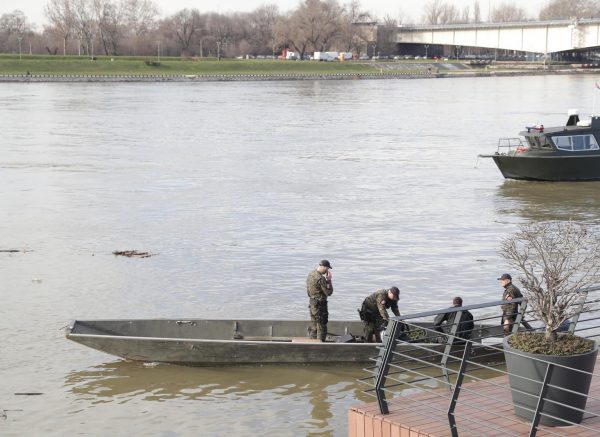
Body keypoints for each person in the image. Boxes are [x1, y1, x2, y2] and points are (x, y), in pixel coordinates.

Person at [306, 260, 333, 341]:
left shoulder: (311, 274)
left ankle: (312, 343)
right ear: (324, 267)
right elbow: (328, 292)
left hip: (312, 303)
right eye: (327, 268)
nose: (327, 270)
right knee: (322, 327)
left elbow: (308, 290)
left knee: (314, 326)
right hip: (320, 305)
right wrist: (329, 280)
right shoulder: (321, 278)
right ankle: (321, 345)